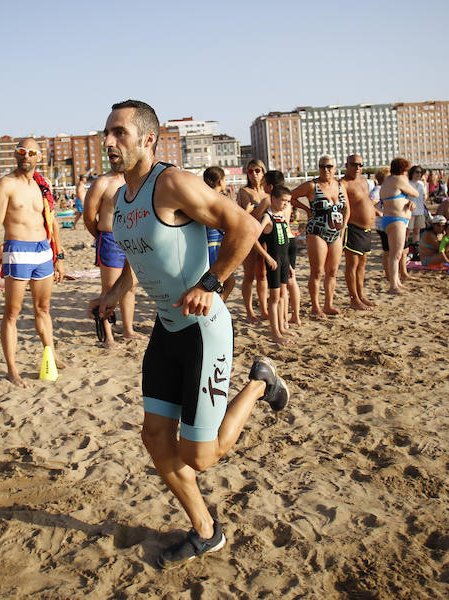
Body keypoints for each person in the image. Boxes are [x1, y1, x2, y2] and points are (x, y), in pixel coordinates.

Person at [90, 100, 290, 569]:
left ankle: (261, 383)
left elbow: (244, 225)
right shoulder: (122, 199)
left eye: (119, 133)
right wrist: (111, 298)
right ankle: (206, 530)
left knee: (199, 457)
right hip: (165, 328)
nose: (108, 142)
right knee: (156, 439)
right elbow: (138, 267)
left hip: (204, 330)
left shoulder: (173, 182)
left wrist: (211, 282)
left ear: (147, 140)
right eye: (106, 133)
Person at [0, 138, 66, 388]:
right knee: (12, 313)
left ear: (39, 156)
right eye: (21, 152)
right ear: (15, 155)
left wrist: (59, 256)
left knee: (43, 308)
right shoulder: (6, 184)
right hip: (17, 249)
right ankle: (12, 369)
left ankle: (50, 353)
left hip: (43, 251)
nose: (25, 156)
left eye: (31, 152)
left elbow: (52, 221)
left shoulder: (43, 184)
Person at [83, 169, 144, 347]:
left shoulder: (137, 180)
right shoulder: (103, 183)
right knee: (109, 289)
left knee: (130, 286)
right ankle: (108, 336)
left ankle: (128, 329)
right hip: (110, 239)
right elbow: (89, 217)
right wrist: (102, 236)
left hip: (132, 239)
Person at [291, 156, 349, 316]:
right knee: (317, 271)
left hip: (336, 232)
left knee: (332, 271)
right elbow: (290, 196)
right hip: (317, 231)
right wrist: (307, 210)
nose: (326, 169)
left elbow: (346, 209)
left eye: (329, 166)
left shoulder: (339, 186)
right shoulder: (312, 186)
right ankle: (315, 307)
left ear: (335, 168)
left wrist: (343, 228)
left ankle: (328, 304)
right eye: (322, 166)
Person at [255, 186, 295, 344]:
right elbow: (253, 239)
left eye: (288, 201)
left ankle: (282, 327)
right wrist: (267, 257)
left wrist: (290, 265)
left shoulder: (281, 216)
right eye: (283, 200)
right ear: (273, 198)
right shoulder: (267, 217)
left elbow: (285, 243)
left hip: (284, 261)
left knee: (283, 294)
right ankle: (275, 332)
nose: (286, 204)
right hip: (274, 262)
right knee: (274, 297)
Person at [341, 154, 378, 310]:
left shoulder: (364, 182)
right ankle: (353, 298)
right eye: (354, 164)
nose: (357, 167)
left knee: (362, 263)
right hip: (353, 227)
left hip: (366, 229)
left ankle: (361, 295)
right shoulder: (343, 184)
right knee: (352, 264)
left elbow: (364, 201)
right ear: (347, 165)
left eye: (360, 164)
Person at [379, 157, 418, 295]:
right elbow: (415, 193)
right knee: (395, 255)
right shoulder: (398, 179)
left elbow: (394, 197)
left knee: (396, 254)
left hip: (391, 219)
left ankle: (397, 282)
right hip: (397, 220)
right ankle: (393, 286)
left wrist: (405, 200)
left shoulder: (388, 181)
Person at [237, 159, 269, 322]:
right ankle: (250, 311)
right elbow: (241, 216)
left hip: (265, 236)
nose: (254, 174)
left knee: (262, 275)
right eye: (250, 171)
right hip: (249, 236)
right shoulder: (243, 191)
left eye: (257, 170)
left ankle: (264, 308)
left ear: (263, 172)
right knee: (249, 275)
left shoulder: (269, 192)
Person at [202, 167, 238, 303]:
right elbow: (233, 223)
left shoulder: (202, 199)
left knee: (216, 281)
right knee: (225, 280)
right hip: (216, 247)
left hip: (205, 246)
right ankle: (218, 304)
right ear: (220, 182)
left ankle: (217, 303)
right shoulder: (221, 201)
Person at [407, 165, 428, 243]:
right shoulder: (408, 183)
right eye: (417, 172)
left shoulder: (421, 184)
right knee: (408, 231)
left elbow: (425, 196)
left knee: (417, 231)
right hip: (410, 211)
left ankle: (416, 246)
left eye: (420, 172)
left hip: (420, 210)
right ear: (412, 173)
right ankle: (405, 246)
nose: (419, 174)